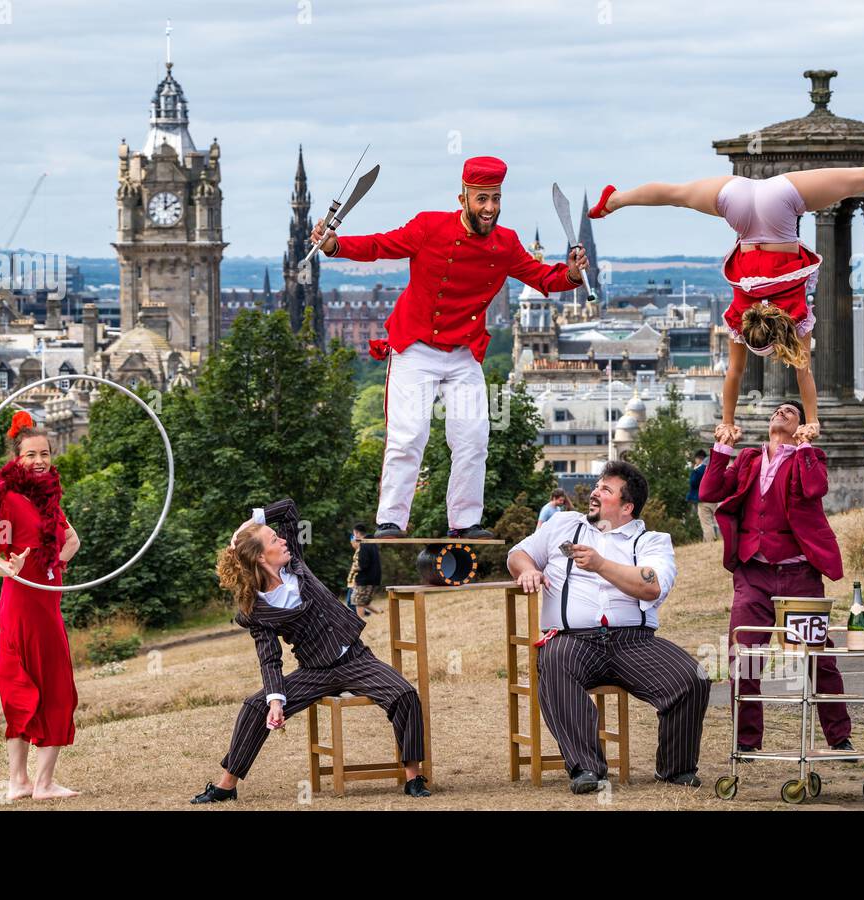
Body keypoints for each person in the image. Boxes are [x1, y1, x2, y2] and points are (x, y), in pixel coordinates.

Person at [587, 157, 864, 442]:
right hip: (740, 205)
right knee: (678, 194)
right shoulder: (739, 317)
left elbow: (804, 376)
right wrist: (726, 422)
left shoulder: (795, 317)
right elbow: (733, 377)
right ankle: (616, 200)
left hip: (781, 211)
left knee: (863, 178)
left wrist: (812, 421)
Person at [311, 156, 589, 540]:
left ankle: (465, 522)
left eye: (495, 198)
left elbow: (541, 277)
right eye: (482, 199)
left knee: (474, 437)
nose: (489, 207)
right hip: (415, 346)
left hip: (463, 352)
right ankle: (391, 521)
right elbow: (380, 245)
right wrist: (335, 244)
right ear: (463, 198)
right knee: (408, 435)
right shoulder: (429, 226)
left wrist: (572, 273)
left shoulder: (506, 243)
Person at [191, 498, 430, 803]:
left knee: (405, 695)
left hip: (356, 659)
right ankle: (226, 786)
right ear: (262, 557)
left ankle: (413, 778)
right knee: (255, 707)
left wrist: (251, 521)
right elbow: (269, 658)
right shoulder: (257, 610)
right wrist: (275, 702)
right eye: (274, 539)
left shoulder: (296, 563)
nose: (283, 540)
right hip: (315, 672)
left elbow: (289, 509)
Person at [507, 460, 710, 794]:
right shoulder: (564, 524)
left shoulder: (651, 541)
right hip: (572, 639)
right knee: (555, 663)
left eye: (606, 489)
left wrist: (600, 565)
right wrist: (527, 569)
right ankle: (587, 768)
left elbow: (652, 585)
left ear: (627, 506)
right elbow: (518, 553)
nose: (594, 493)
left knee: (693, 679)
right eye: (597, 485)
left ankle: (676, 768)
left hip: (634, 641)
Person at [697, 400, 853, 757]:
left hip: (799, 574)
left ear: (801, 425)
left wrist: (805, 445)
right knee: (745, 658)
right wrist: (723, 447)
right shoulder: (749, 459)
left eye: (790, 411)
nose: (780, 412)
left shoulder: (807, 457)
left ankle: (839, 736)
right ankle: (747, 742)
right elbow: (708, 493)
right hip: (754, 574)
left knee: (818, 657)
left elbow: (815, 489)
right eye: (776, 410)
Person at [0, 410, 82, 801]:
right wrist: (9, 566)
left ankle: (31, 782)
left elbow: (71, 539)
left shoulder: (47, 499)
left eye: (45, 454)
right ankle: (32, 782)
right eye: (31, 454)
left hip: (46, 596)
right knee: (35, 686)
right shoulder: (4, 498)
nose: (39, 461)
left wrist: (56, 562)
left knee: (43, 685)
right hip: (21, 600)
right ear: (16, 458)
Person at [349, 523, 383, 617]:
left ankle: (361, 621)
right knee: (363, 601)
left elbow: (363, 564)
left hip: (365, 578)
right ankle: (379, 613)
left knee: (358, 601)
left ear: (357, 533)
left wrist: (355, 574)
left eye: (354, 534)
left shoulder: (364, 544)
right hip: (373, 577)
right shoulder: (372, 542)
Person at [687, 449, 717, 542]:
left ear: (699, 459)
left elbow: (693, 483)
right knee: (713, 522)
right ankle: (709, 542)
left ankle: (710, 544)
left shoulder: (700, 469)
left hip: (703, 500)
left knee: (706, 523)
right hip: (714, 499)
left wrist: (694, 470)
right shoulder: (713, 467)